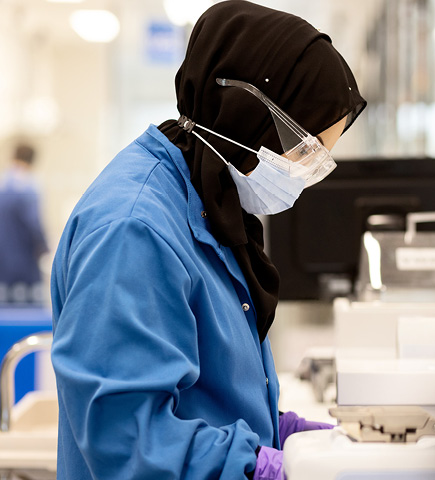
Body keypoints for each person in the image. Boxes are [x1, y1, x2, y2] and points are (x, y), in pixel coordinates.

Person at [50, 2, 366, 479]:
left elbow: (212, 392)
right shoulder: (134, 229)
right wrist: (260, 467)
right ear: (247, 112)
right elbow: (130, 441)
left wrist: (294, 436)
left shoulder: (205, 203)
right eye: (304, 150)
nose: (306, 174)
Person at [0, 142, 48, 305]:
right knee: (29, 309)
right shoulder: (29, 187)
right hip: (25, 263)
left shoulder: (3, 182)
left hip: (3, 262)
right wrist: (44, 248)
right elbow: (34, 223)